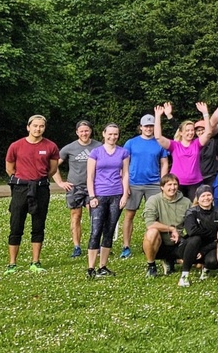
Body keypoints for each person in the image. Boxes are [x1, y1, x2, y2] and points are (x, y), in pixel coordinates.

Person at [4, 115, 61, 274]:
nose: (38, 129)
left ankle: (35, 262)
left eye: (41, 126)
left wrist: (39, 180)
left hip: (41, 188)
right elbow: (10, 169)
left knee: (38, 225)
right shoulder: (16, 146)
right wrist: (23, 180)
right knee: (16, 225)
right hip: (20, 189)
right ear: (28, 127)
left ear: (44, 128)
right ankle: (12, 264)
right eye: (35, 126)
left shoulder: (51, 146)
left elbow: (52, 169)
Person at [120, 114, 169, 260]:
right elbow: (124, 165)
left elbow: (164, 163)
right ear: (141, 127)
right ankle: (126, 246)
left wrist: (163, 183)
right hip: (134, 183)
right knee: (130, 215)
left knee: (156, 215)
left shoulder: (159, 142)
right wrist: (125, 183)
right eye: (146, 126)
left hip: (154, 184)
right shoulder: (131, 143)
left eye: (151, 126)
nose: (149, 128)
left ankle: (154, 243)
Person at [85, 123, 129, 278]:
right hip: (99, 195)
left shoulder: (123, 152)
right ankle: (90, 268)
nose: (112, 137)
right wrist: (92, 197)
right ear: (103, 134)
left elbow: (125, 174)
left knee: (109, 231)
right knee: (95, 231)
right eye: (109, 134)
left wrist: (124, 195)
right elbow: (90, 176)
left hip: (116, 195)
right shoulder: (95, 152)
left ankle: (103, 266)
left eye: (115, 134)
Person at [152, 102, 214, 198]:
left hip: (195, 182)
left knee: (194, 208)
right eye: (187, 130)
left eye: (192, 130)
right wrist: (158, 116)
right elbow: (158, 137)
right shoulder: (174, 145)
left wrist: (205, 113)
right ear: (181, 132)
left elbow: (209, 133)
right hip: (177, 183)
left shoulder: (197, 144)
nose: (190, 132)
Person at [55, 120, 97, 258]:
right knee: (76, 216)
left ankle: (95, 245)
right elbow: (53, 165)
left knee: (95, 216)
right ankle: (77, 246)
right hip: (75, 187)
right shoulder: (69, 148)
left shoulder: (99, 146)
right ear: (77, 132)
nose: (84, 133)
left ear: (90, 131)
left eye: (87, 130)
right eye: (81, 131)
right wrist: (60, 182)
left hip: (94, 187)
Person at [142, 174, 192, 277]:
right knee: (152, 232)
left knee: (198, 261)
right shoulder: (154, 200)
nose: (172, 188)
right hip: (159, 243)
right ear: (162, 187)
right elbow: (150, 224)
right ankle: (151, 266)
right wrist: (171, 229)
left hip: (178, 242)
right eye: (169, 185)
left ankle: (172, 260)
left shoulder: (186, 202)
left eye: (175, 184)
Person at [178, 185, 218, 287]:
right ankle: (184, 276)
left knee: (213, 261)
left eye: (208, 195)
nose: (206, 198)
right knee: (196, 238)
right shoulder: (191, 212)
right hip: (190, 246)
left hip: (210, 246)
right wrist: (213, 233)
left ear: (212, 197)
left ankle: (206, 269)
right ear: (198, 199)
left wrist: (204, 250)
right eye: (203, 196)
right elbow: (191, 231)